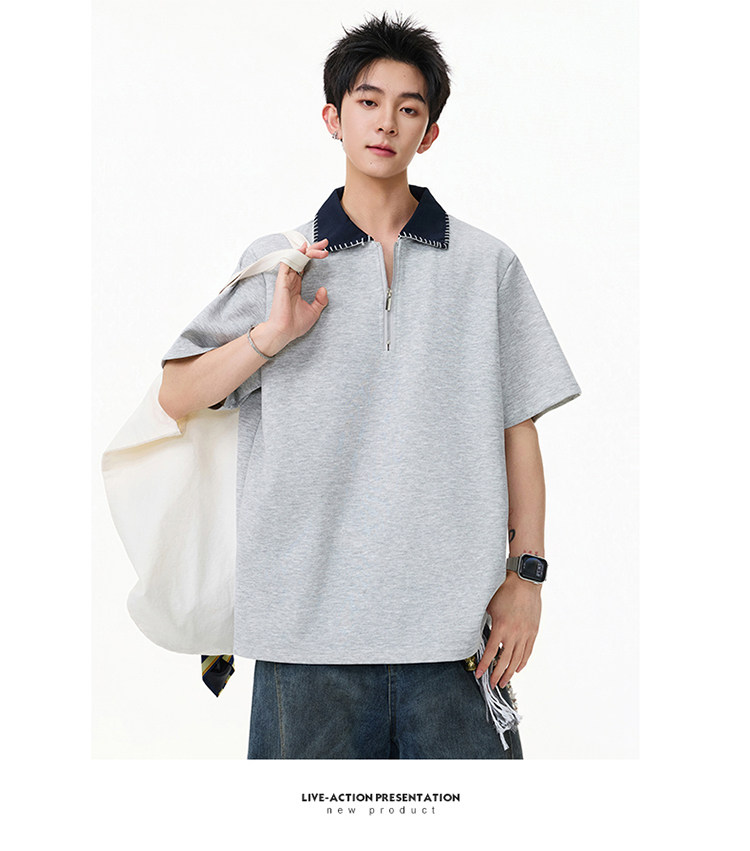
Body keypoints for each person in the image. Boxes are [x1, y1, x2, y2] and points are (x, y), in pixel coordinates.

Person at [158, 11, 582, 759]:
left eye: (409, 108)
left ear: (431, 132)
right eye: (367, 100)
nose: (386, 121)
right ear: (333, 118)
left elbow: (518, 428)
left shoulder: (487, 266)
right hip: (304, 638)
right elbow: (176, 396)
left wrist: (528, 578)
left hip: (459, 638)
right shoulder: (283, 262)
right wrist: (268, 338)